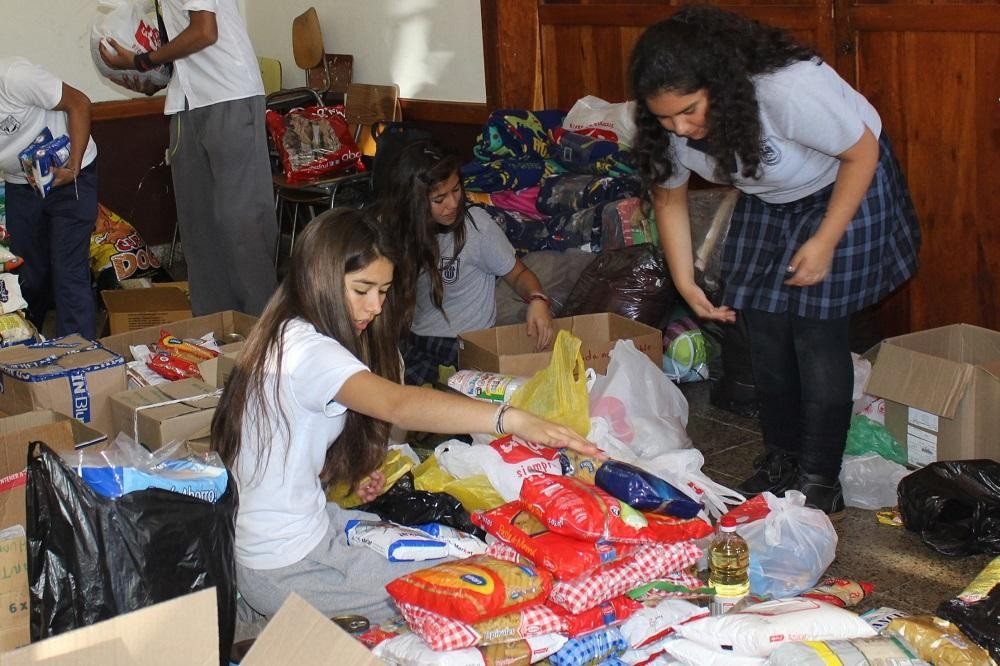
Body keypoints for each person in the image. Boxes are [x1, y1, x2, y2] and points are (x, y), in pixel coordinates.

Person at [211, 207, 601, 623]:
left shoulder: (286, 330)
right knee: (468, 586)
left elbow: (282, 446)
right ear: (318, 277)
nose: (375, 307)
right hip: (289, 565)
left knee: (450, 544)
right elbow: (397, 403)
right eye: (362, 290)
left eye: (383, 291)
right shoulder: (309, 352)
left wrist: (344, 474)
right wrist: (512, 418)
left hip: (299, 531)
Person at [629, 6, 920, 514]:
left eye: (691, 110)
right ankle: (782, 457)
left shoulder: (784, 89)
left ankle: (819, 478)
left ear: (720, 84)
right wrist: (686, 280)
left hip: (845, 179)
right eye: (665, 116)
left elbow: (862, 152)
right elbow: (669, 198)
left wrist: (826, 239)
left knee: (815, 327)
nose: (681, 126)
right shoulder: (668, 126)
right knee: (761, 327)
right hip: (774, 198)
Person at [99, 0, 277, 317]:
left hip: (228, 94)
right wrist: (140, 70)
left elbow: (205, 31)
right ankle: (215, 326)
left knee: (240, 219)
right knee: (198, 223)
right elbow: (174, 39)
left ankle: (260, 325)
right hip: (185, 100)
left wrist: (141, 61)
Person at [379, 140, 555, 386]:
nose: (453, 203)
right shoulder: (400, 232)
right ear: (414, 203)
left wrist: (537, 300)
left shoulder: (476, 226)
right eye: (439, 199)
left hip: (465, 347)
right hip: (417, 342)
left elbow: (518, 274)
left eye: (456, 189)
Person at [0, 57, 98, 339]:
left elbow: (79, 103)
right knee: (28, 275)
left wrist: (74, 167)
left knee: (68, 271)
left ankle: (80, 360)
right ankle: (28, 351)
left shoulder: (14, 78)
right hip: (22, 184)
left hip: (72, 171)